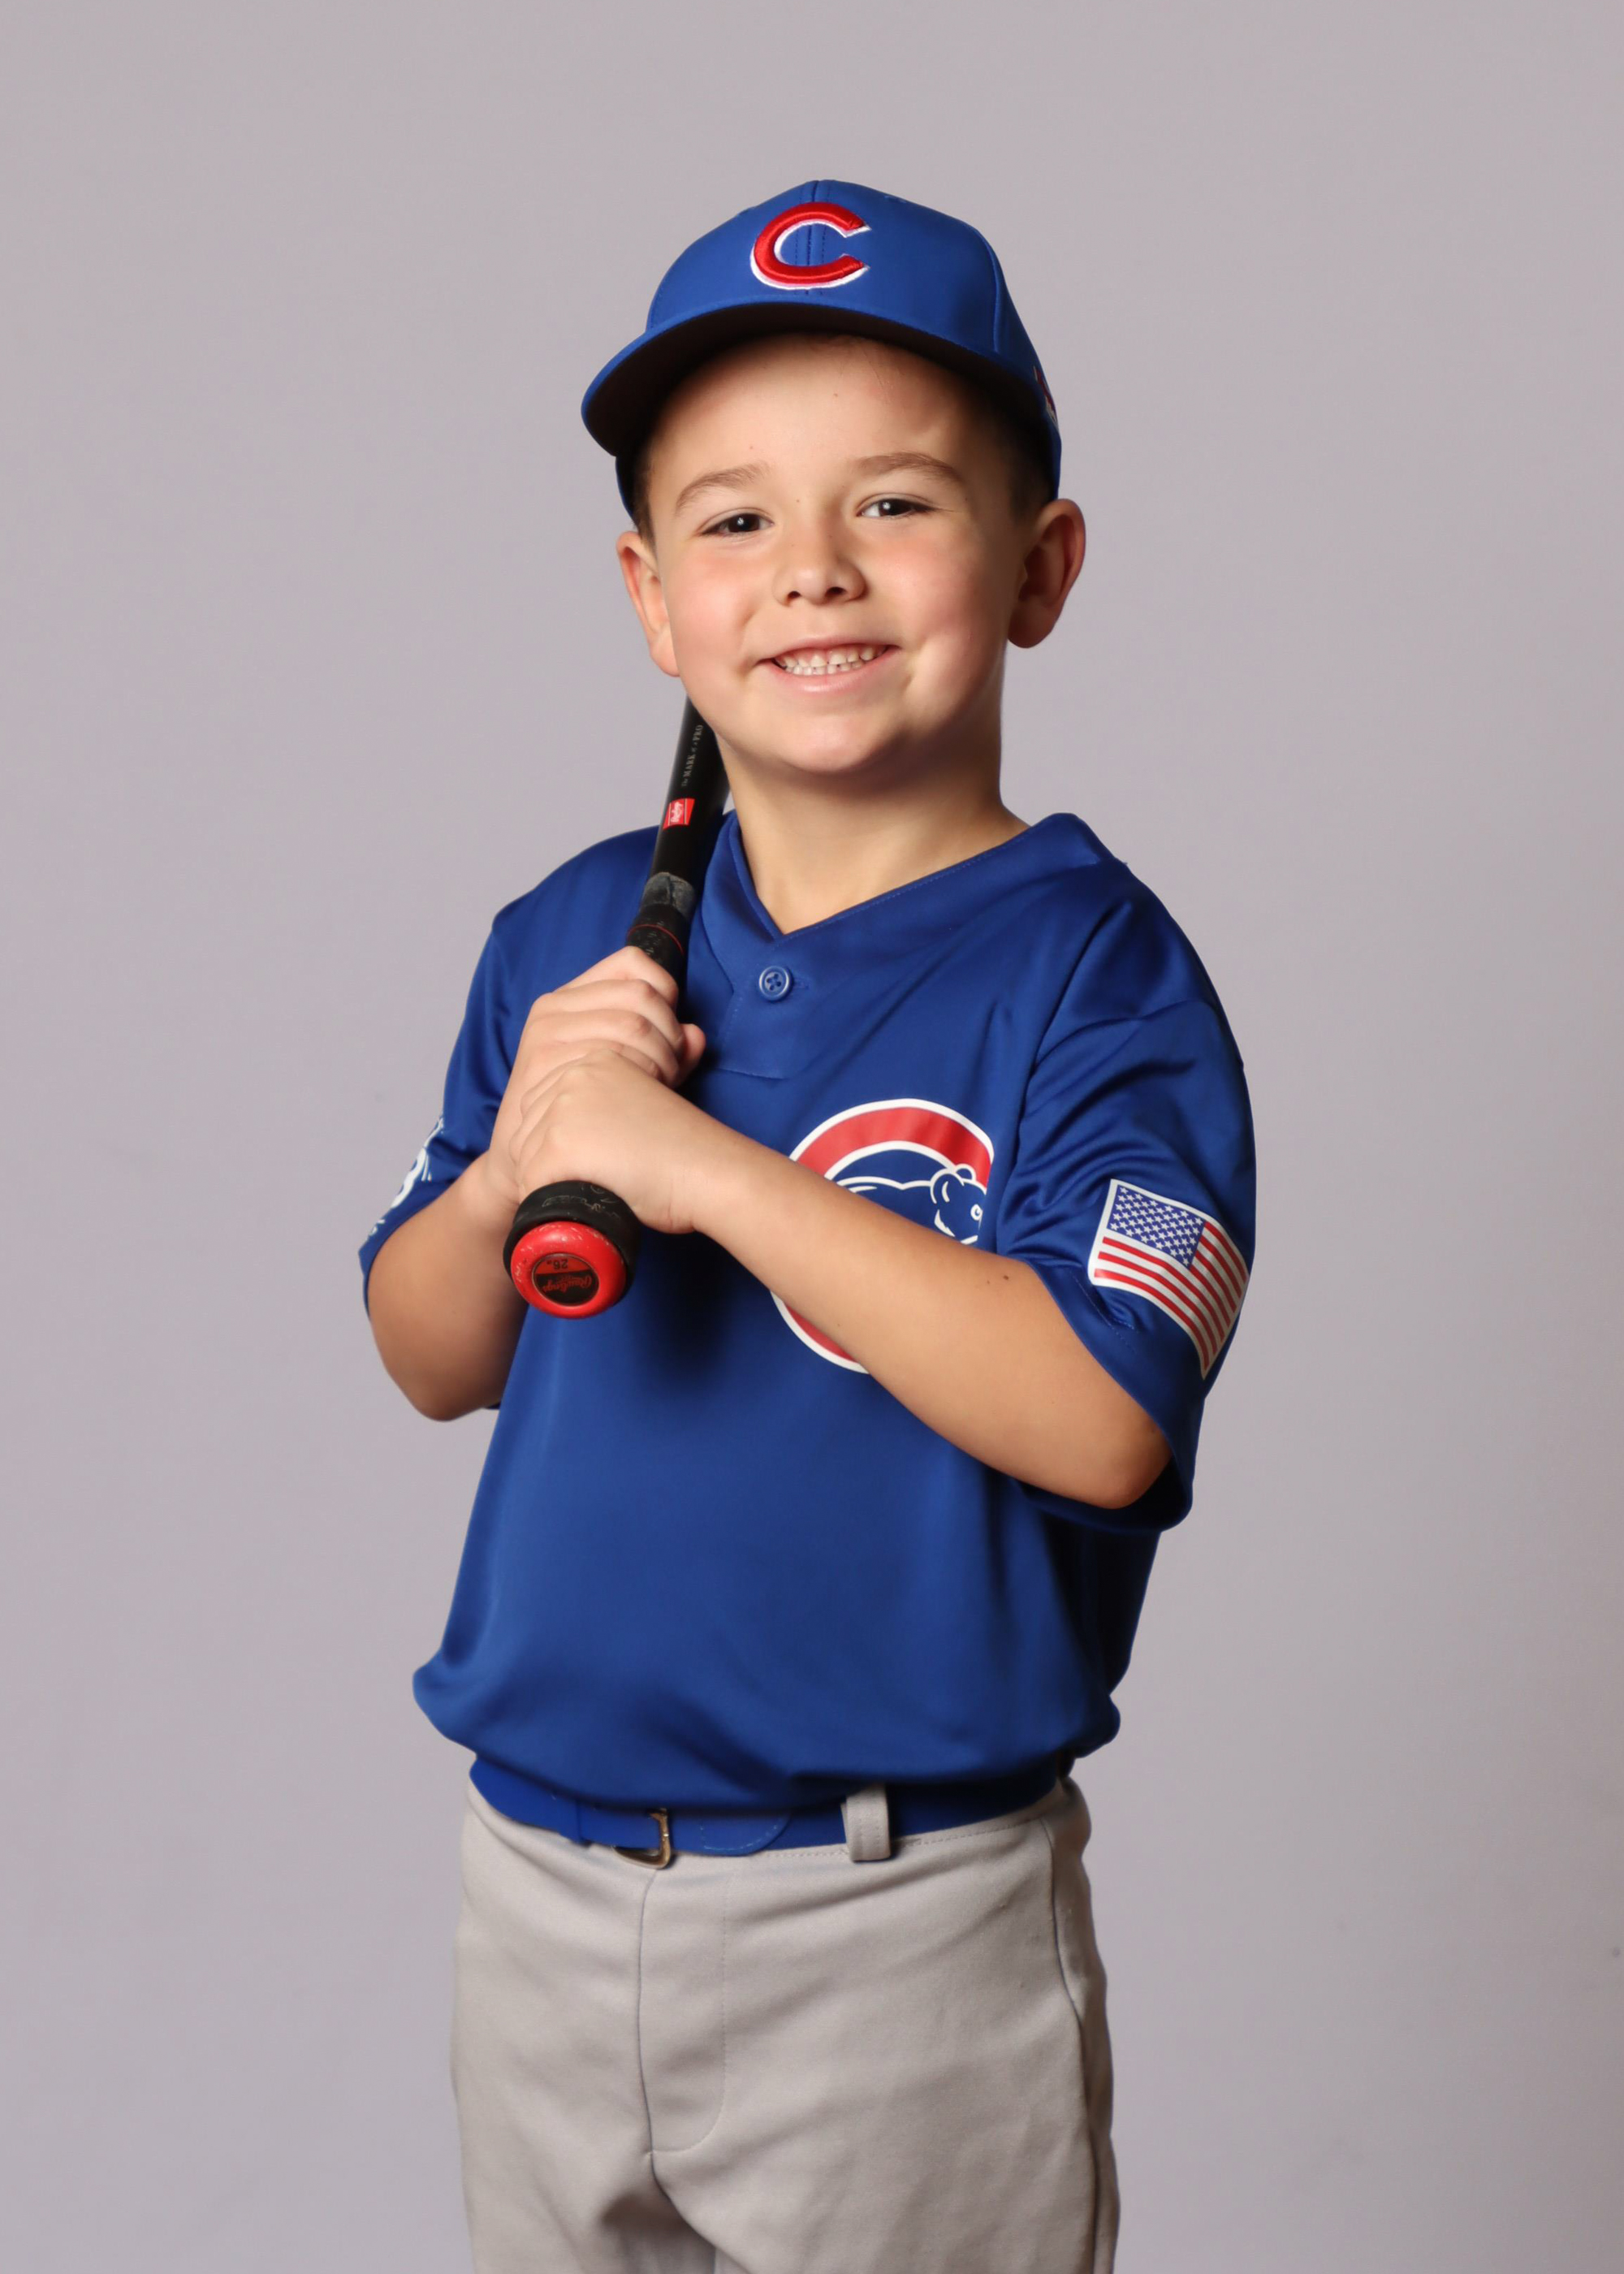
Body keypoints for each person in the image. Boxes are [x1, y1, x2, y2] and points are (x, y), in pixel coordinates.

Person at [361, 179, 1255, 2274]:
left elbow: (1102, 1417)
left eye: (898, 504)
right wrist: (514, 1164)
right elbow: (427, 1353)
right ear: (652, 598)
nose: (812, 571)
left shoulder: (1102, 979)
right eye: (735, 519)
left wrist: (704, 1176)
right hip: (540, 1893)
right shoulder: (574, 936)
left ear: (1040, 568)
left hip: (896, 1925)